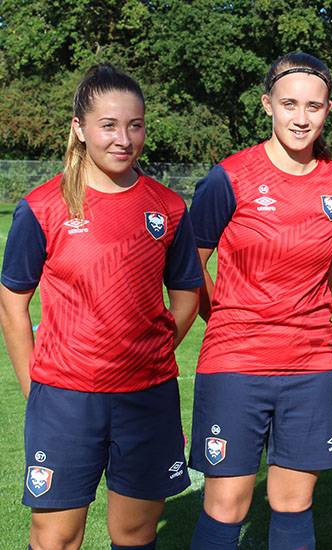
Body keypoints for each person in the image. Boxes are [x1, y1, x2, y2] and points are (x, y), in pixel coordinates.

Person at [0, 64, 201, 550]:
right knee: (56, 538)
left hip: (146, 398)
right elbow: (12, 300)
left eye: (135, 124)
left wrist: (145, 348)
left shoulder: (167, 207)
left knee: (134, 533)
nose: (123, 138)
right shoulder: (43, 206)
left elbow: (188, 293)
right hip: (65, 399)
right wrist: (35, 385)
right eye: (108, 125)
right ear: (80, 129)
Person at [186, 52, 332, 550]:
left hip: (308, 364)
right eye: (289, 104)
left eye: (314, 106)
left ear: (327, 110)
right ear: (267, 105)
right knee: (227, 505)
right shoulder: (229, 177)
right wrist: (223, 314)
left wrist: (298, 311)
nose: (301, 118)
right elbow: (189, 264)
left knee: (293, 501)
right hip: (235, 361)